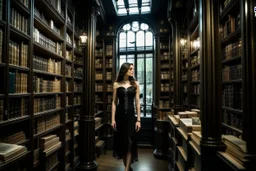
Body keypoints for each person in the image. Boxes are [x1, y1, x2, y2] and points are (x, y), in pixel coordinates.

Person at [111, 62, 141, 171]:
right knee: (122, 143)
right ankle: (127, 167)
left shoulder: (136, 84)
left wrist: (138, 120)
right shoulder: (116, 84)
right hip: (119, 117)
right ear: (125, 70)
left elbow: (137, 103)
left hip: (131, 117)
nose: (133, 71)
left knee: (130, 143)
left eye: (133, 69)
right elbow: (114, 103)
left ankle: (126, 169)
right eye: (130, 69)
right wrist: (113, 119)